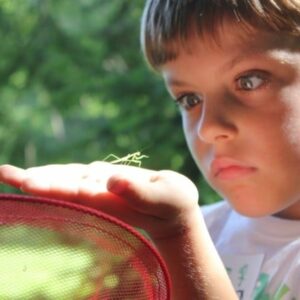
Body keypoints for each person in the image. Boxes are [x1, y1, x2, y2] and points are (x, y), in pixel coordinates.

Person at [0, 0, 300, 299]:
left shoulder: (185, 235)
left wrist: (176, 235)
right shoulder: (207, 229)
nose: (207, 128)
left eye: (249, 81)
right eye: (189, 99)